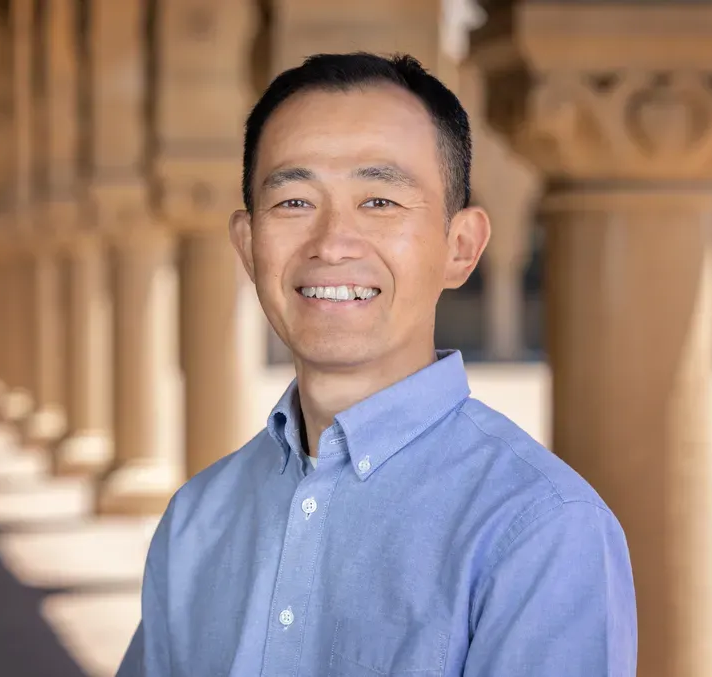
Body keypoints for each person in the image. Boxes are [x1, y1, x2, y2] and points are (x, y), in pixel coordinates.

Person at [117, 52, 636, 676]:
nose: (332, 242)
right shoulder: (197, 518)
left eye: (381, 200)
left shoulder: (540, 529)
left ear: (461, 246)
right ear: (249, 246)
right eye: (293, 202)